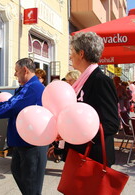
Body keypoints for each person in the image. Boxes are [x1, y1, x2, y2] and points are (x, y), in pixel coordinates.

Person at [0, 58, 48, 195]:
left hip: (32, 144)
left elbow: (13, 107)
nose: (15, 75)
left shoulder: (34, 88)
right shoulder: (26, 87)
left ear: (25, 70)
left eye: (16, 71)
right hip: (22, 141)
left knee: (31, 183)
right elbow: (9, 103)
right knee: (18, 171)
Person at [65, 32, 120, 167]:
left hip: (93, 159)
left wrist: (75, 132)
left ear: (81, 53)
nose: (70, 55)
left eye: (72, 51)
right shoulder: (84, 80)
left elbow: (111, 124)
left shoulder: (101, 81)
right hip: (81, 154)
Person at [47, 70, 81, 163]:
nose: (68, 83)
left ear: (77, 80)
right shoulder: (67, 94)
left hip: (75, 138)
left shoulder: (78, 95)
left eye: (70, 80)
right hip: (66, 136)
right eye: (67, 81)